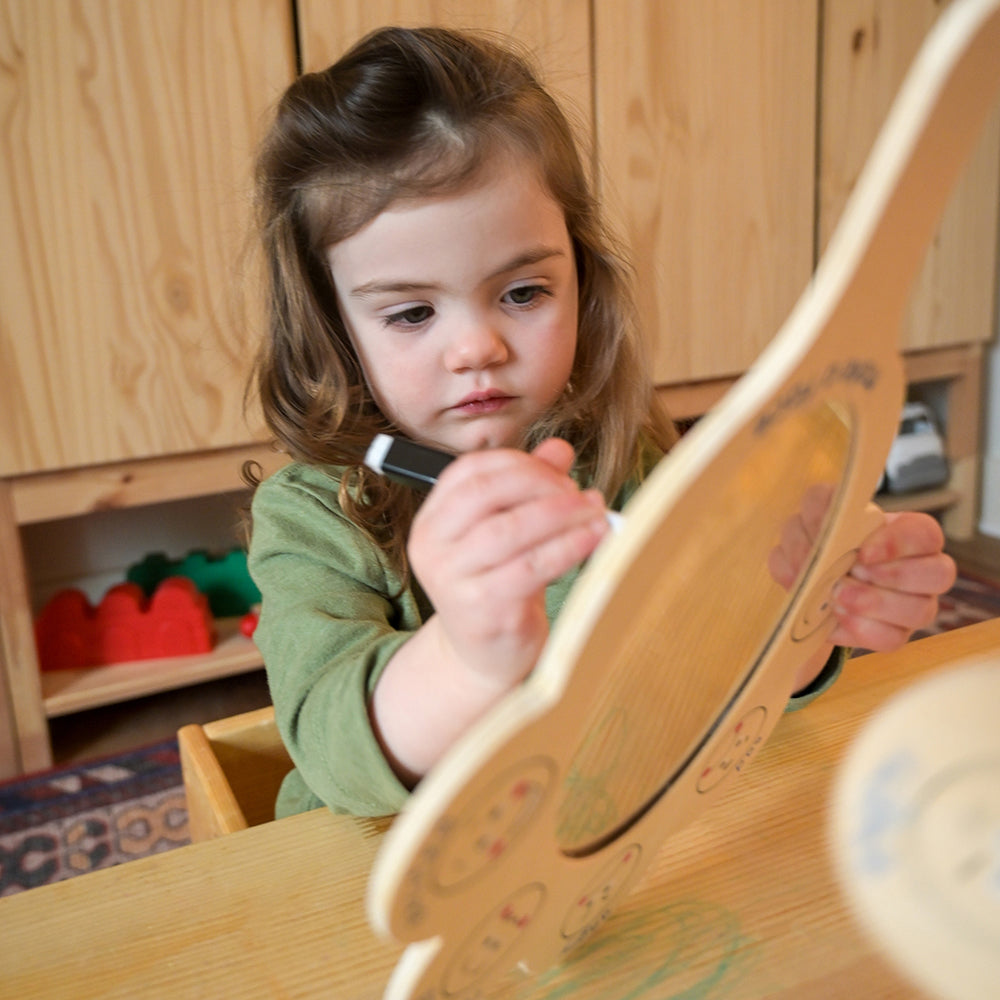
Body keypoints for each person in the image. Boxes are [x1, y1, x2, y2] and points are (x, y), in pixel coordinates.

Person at [245, 25, 956, 818]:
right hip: (364, 887)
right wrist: (466, 657)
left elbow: (718, 676)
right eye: (412, 312)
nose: (477, 347)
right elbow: (333, 755)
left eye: (523, 294)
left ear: (580, 276)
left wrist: (809, 609)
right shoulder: (310, 516)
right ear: (334, 324)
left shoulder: (626, 458)